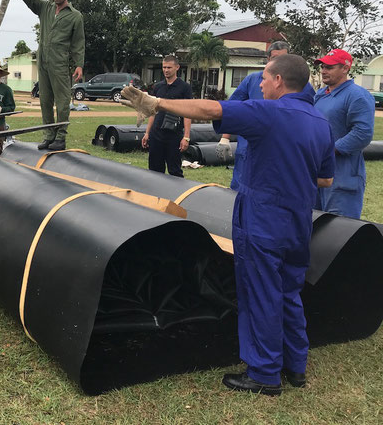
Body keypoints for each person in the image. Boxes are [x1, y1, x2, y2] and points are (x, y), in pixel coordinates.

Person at [121, 54, 335, 396]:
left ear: (279, 81)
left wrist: (156, 101)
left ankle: (264, 374)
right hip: (298, 219)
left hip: (264, 216)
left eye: (264, 78)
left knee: (260, 292)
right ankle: (296, 366)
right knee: (288, 291)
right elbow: (324, 179)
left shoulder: (269, 112)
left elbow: (211, 110)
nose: (260, 84)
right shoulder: (319, 122)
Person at [217, 41, 316, 190]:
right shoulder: (252, 80)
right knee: (242, 189)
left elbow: (309, 114)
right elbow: (233, 108)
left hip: (283, 147)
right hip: (249, 147)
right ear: (268, 59)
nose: (279, 62)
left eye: (283, 58)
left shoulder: (301, 85)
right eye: (275, 58)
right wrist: (225, 138)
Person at [5, 0, 85, 151]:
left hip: (60, 63)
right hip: (42, 62)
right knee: (45, 100)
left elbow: (79, 42)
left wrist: (79, 64)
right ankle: (48, 135)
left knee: (63, 101)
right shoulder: (46, 9)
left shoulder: (75, 16)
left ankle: (61, 137)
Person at [313, 48, 374, 219]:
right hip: (317, 173)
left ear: (345, 68)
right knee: (313, 226)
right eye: (323, 66)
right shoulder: (320, 95)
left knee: (337, 230)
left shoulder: (357, 96)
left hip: (343, 177)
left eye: (330, 67)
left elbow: (362, 133)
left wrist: (328, 150)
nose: (324, 71)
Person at [141, 56, 192, 177]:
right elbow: (153, 112)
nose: (166, 70)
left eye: (169, 67)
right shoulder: (158, 87)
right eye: (164, 67)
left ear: (177, 67)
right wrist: (147, 133)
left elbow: (188, 113)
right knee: (154, 171)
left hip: (173, 135)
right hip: (156, 134)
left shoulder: (184, 87)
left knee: (174, 171)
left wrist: (186, 137)